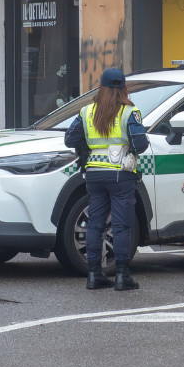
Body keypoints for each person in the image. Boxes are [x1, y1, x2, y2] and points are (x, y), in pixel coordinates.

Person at [64, 68, 148, 290]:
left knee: (95, 224)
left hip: (94, 174)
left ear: (101, 87)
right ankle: (122, 276)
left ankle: (94, 275)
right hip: (121, 175)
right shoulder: (130, 112)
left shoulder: (87, 111)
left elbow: (70, 138)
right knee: (121, 226)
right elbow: (141, 144)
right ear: (123, 88)